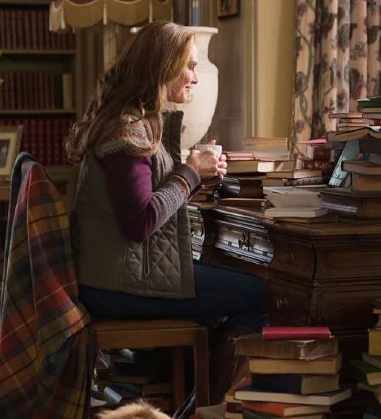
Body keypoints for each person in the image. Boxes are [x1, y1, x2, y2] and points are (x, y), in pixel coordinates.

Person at [65, 21, 268, 405]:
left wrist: (196, 175)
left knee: (235, 293)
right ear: (161, 68)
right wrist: (191, 173)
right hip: (115, 288)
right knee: (262, 295)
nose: (195, 76)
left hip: (118, 277)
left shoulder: (136, 122)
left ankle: (183, 398)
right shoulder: (129, 132)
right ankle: (204, 409)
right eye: (188, 66)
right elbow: (139, 222)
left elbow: (146, 198)